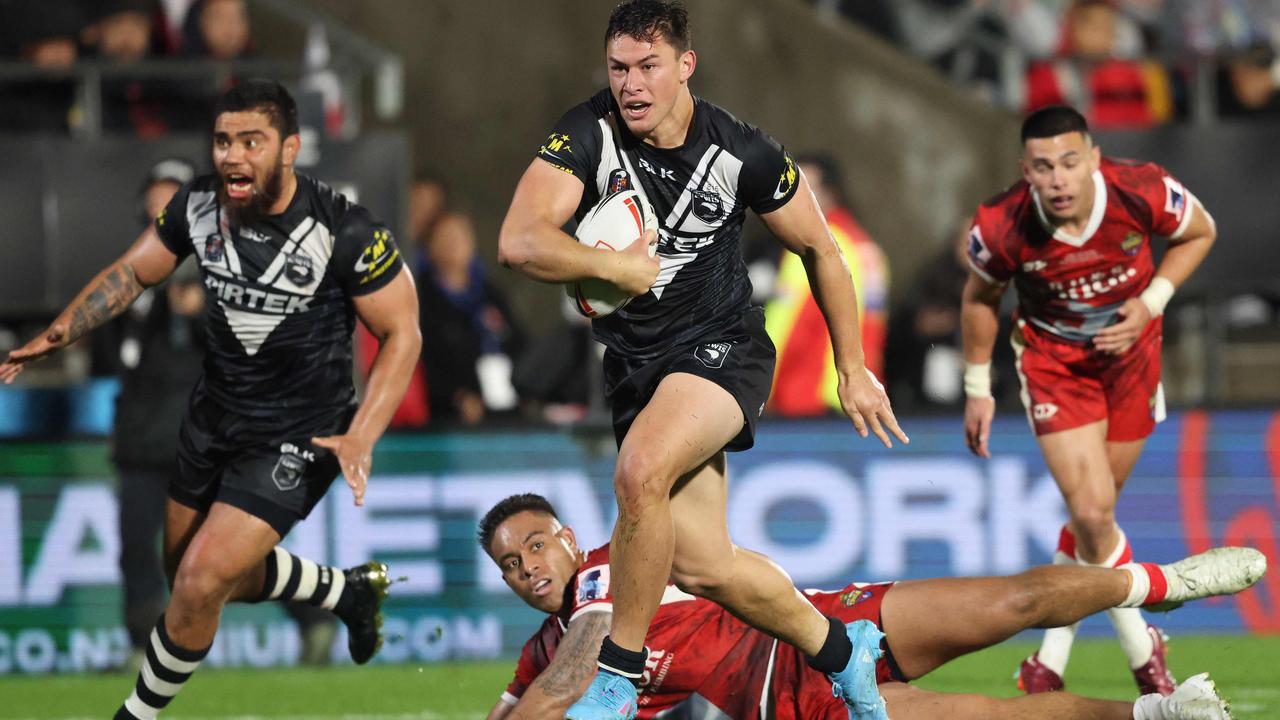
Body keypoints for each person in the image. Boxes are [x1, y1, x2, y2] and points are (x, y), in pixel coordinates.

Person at [497, 2, 906, 716]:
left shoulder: (741, 151)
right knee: (704, 565)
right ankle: (845, 649)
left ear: (686, 65)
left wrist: (851, 367)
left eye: (648, 66)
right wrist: (612, 268)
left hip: (724, 350)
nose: (631, 84)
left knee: (640, 470)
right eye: (619, 68)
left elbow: (819, 247)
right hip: (637, 369)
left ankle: (617, 676)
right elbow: (520, 241)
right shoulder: (587, 133)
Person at [0, 79, 421, 718]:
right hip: (212, 420)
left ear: (290, 149)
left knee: (199, 582)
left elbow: (402, 333)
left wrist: (362, 433)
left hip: (300, 433)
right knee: (191, 577)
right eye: (223, 140)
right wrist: (60, 333)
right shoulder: (197, 205)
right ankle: (343, 593)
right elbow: (133, 272)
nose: (231, 155)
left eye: (250, 141)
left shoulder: (345, 229)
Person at [478, 493, 1263, 720]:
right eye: (511, 564)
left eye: (536, 545)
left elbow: (563, 687)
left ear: (571, 538)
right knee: (986, 719)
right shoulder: (541, 652)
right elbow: (520, 702)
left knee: (1013, 598)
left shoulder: (613, 568)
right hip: (793, 706)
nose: (528, 568)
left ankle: (1172, 582)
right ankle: (1163, 716)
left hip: (823, 629)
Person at [960, 105, 1217, 696]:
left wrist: (1151, 302)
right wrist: (978, 390)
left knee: (1090, 522)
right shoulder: (1003, 225)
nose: (1058, 179)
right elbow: (979, 299)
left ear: (1094, 159)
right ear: (1026, 170)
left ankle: (1047, 663)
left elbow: (1201, 232)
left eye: (1070, 162)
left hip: (1132, 363)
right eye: (1044, 167)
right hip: (1056, 369)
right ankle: (1144, 655)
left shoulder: (1143, 190)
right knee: (1097, 514)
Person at [767, 153, 889, 416]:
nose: (789, 199)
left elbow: (789, 327)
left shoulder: (817, 246)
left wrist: (760, 386)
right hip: (854, 393)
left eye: (801, 189)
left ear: (831, 193)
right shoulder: (863, 245)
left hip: (806, 395)